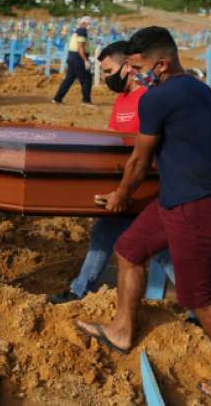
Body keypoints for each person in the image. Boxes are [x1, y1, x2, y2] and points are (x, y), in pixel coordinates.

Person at [78, 27, 211, 403]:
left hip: (196, 209)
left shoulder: (157, 98)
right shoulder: (201, 89)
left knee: (197, 297)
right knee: (130, 249)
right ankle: (122, 329)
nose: (132, 74)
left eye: (136, 66)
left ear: (161, 64)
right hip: (179, 200)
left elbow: (139, 160)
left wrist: (119, 196)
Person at [48, 41, 174, 304]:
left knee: (161, 248)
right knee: (104, 232)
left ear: (127, 68)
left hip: (151, 185)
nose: (106, 78)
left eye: (108, 71)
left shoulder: (149, 99)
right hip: (125, 184)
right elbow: (114, 143)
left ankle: (202, 307)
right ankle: (79, 291)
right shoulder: (121, 102)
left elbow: (148, 150)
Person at [52, 16, 94, 105]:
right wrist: (85, 60)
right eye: (89, 24)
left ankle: (57, 99)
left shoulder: (77, 31)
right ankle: (86, 101)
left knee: (69, 79)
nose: (89, 26)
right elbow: (80, 47)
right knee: (86, 79)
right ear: (84, 23)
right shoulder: (82, 32)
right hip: (78, 58)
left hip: (72, 57)